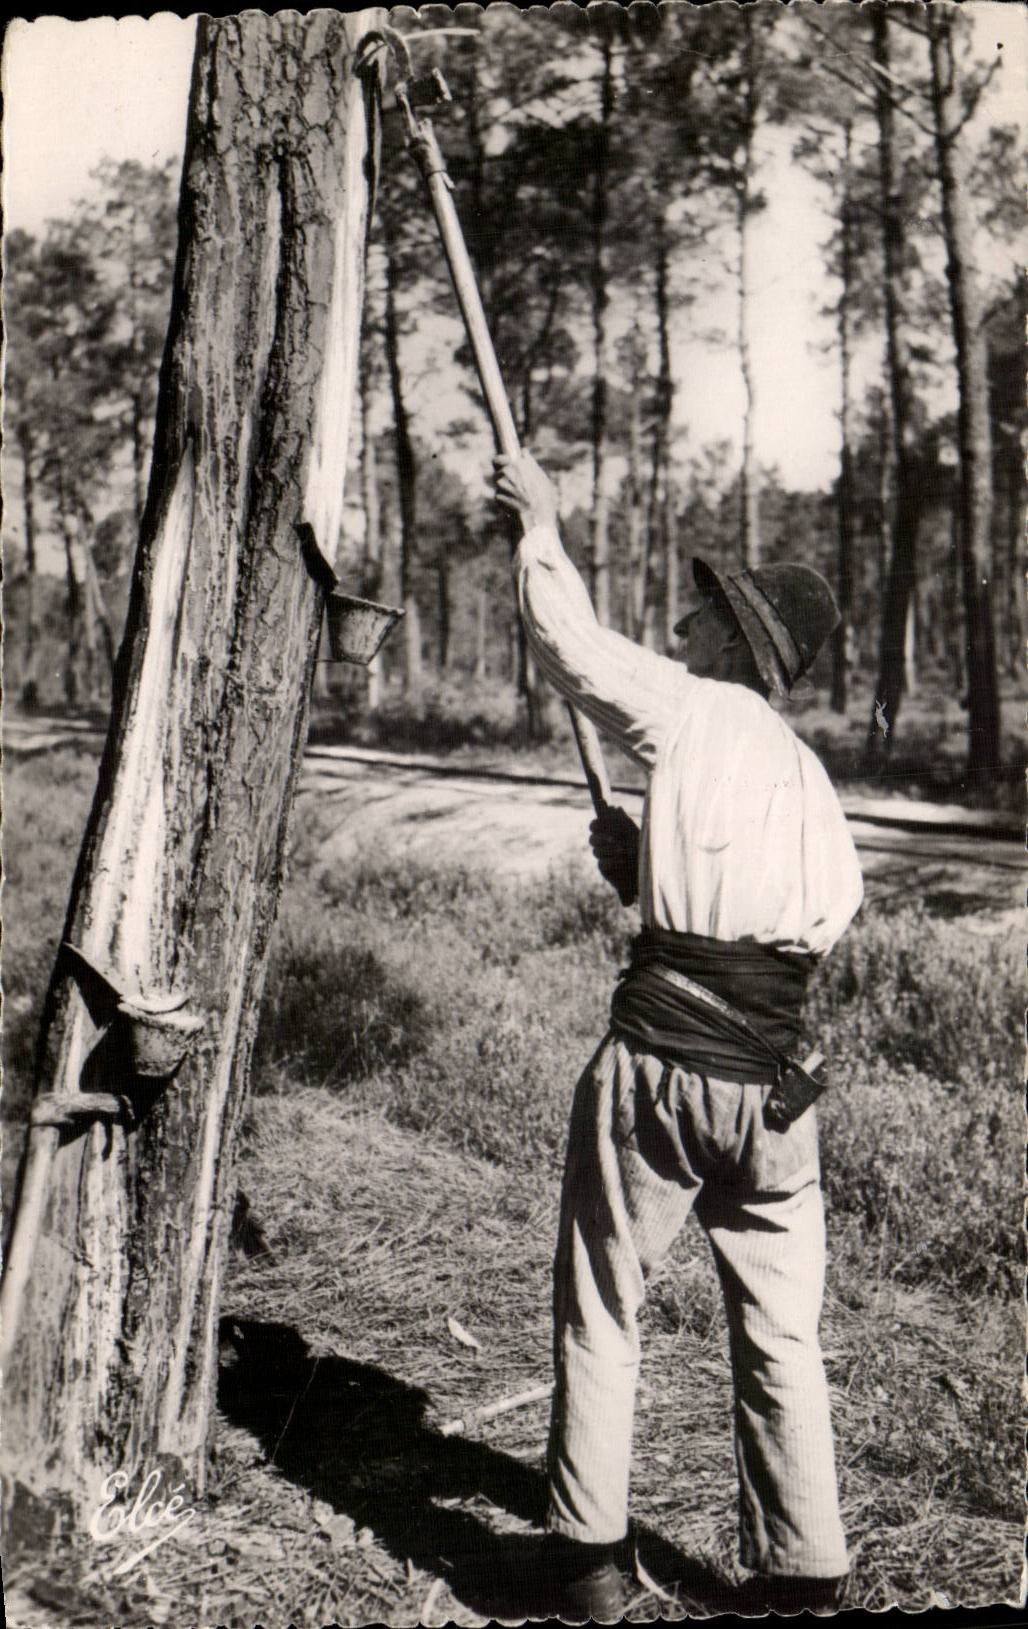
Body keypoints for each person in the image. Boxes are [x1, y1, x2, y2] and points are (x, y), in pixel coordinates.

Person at [494, 450, 864, 1623]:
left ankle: (587, 1565)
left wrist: (540, 525)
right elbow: (779, 937)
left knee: (602, 1300)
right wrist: (643, 870)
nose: (680, 621)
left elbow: (569, 644)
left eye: (700, 612)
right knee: (780, 1330)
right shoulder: (805, 779)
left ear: (731, 645)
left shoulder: (693, 708)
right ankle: (805, 1574)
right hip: (773, 1096)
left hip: (659, 1070)